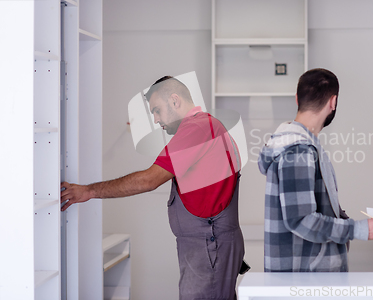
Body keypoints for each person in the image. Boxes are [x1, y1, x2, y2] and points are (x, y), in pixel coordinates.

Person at [61, 76, 245, 300]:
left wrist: (88, 191)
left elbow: (148, 180)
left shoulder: (197, 129)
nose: (156, 120)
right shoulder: (207, 126)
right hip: (209, 244)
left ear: (175, 100)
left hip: (209, 245)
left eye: (157, 110)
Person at [257, 68, 373, 272]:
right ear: (333, 102)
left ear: (297, 99)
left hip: (304, 278)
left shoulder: (303, 146)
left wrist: (347, 221)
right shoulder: (297, 150)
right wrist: (358, 229)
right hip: (303, 281)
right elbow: (301, 220)